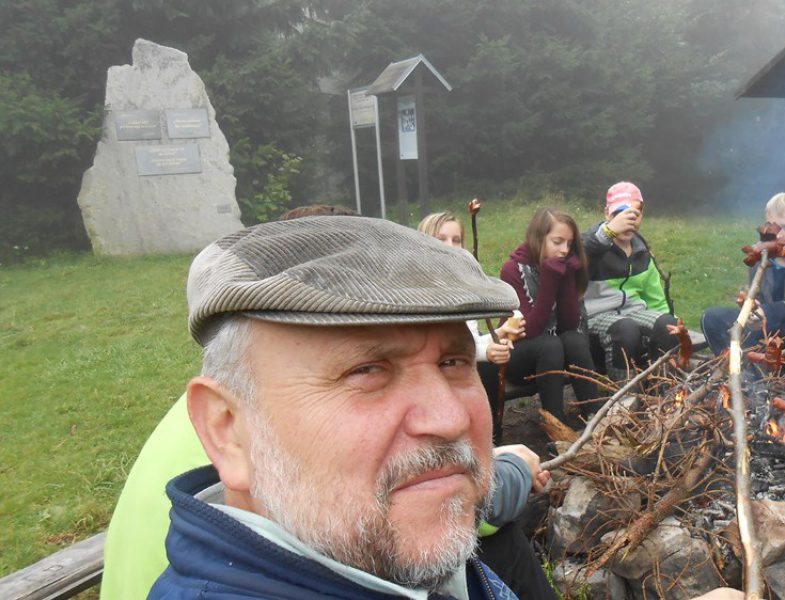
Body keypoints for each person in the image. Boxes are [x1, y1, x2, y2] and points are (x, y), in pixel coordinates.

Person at [145, 215, 526, 598]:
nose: (450, 419)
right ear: (227, 431)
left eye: (453, 362)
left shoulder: (386, 559)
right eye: (367, 370)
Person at [417, 212, 525, 444]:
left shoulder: (464, 285)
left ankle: (489, 441)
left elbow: (467, 340)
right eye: (441, 239)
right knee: (485, 369)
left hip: (458, 366)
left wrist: (499, 335)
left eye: (456, 240)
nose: (450, 246)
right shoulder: (421, 288)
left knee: (487, 368)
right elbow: (439, 348)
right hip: (429, 373)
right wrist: (486, 352)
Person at [700, 192, 785, 354]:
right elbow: (757, 296)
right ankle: (742, 366)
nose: (778, 235)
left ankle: (781, 369)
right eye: (771, 226)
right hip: (767, 323)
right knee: (711, 318)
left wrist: (774, 311)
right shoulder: (760, 253)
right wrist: (753, 311)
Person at [500, 207, 601, 423]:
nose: (565, 250)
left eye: (569, 244)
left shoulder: (564, 266)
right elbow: (529, 329)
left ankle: (595, 416)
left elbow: (569, 324)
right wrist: (550, 279)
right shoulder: (513, 269)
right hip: (517, 355)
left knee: (574, 339)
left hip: (555, 354)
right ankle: (555, 424)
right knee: (550, 344)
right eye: (558, 242)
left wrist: (568, 278)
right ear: (539, 239)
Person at [583, 181, 677, 380]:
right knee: (626, 329)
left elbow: (655, 299)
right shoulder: (592, 242)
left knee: (667, 324)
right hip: (594, 320)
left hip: (633, 314)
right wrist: (608, 233)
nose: (627, 221)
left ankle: (660, 390)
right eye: (619, 214)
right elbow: (575, 261)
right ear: (607, 213)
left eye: (634, 214)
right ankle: (625, 393)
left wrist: (670, 326)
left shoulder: (641, 249)